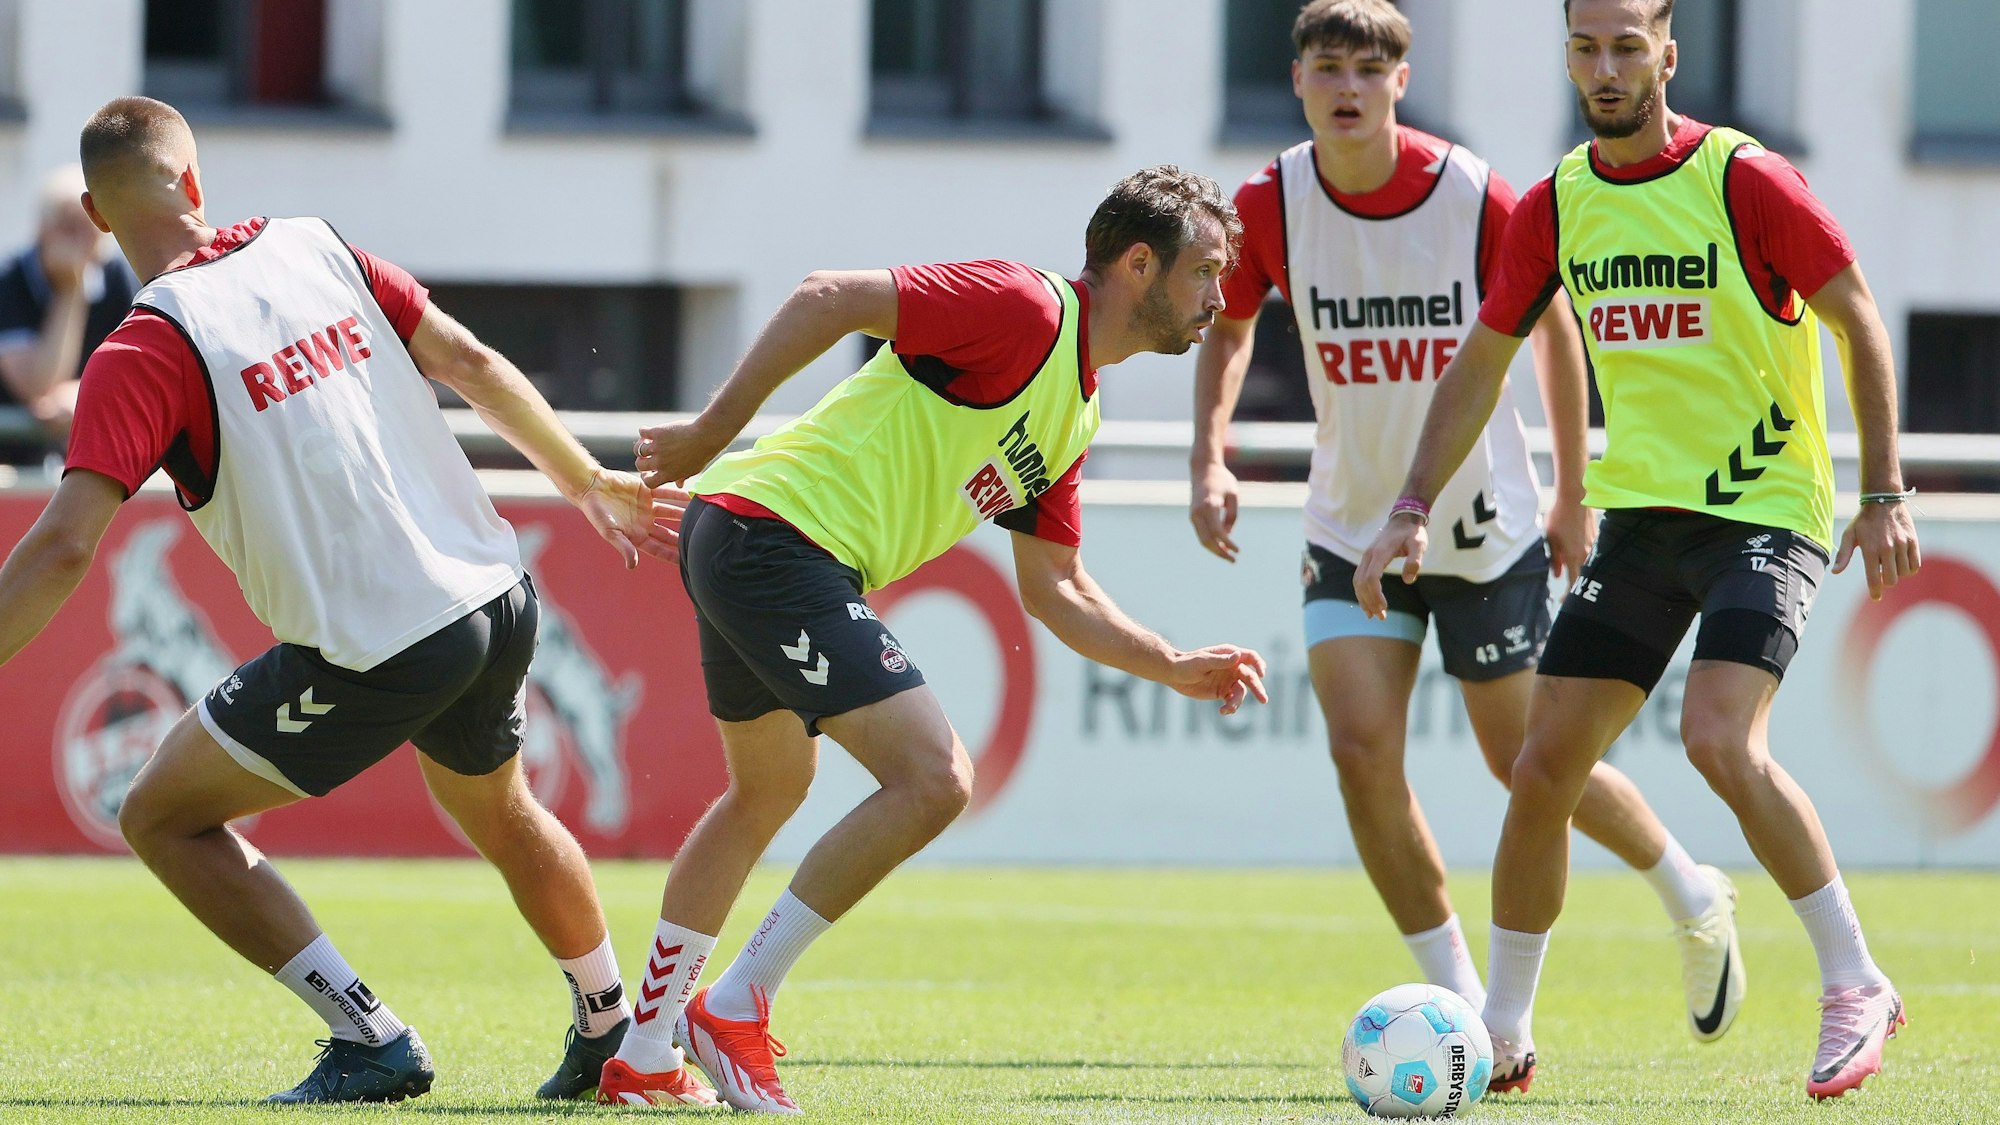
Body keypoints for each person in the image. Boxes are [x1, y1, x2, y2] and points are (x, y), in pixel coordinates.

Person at [0, 96, 681, 1104]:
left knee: (160, 815)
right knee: (496, 808)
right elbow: (473, 363)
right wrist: (583, 479)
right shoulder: (314, 247)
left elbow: (61, 547)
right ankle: (612, 1025)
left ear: (99, 221)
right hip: (494, 596)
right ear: (194, 182)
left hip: (381, 644)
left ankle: (370, 1037)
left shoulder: (143, 348)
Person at [596, 166, 1271, 1112]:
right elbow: (827, 296)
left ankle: (647, 1051)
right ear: (1138, 262)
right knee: (935, 776)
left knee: (769, 788)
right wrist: (713, 429)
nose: (1219, 297)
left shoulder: (1079, 407)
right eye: (1205, 272)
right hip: (775, 538)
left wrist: (1167, 662)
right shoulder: (1026, 308)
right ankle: (735, 1003)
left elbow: (1055, 586)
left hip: (752, 537)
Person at [1354, 0, 1920, 1100]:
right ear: (1566, 55)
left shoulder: (1742, 178)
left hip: (1762, 510)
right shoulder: (1560, 200)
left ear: (1667, 52)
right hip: (1642, 523)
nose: (1604, 67)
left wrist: (1882, 488)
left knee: (1717, 738)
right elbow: (1481, 359)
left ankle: (1855, 980)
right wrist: (1411, 501)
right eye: (1584, 47)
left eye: (1626, 46)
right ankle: (1502, 1029)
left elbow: (1857, 317)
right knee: (1538, 770)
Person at [1188, 0, 1738, 1060]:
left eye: (1365, 69)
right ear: (1295, 79)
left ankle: (1688, 886)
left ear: (1399, 81)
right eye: (1323, 68)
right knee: (1357, 754)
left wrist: (1575, 490)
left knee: (1522, 761)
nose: (1344, 87)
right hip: (1350, 524)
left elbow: (1553, 335)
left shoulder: (1472, 192)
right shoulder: (1269, 201)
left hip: (1484, 529)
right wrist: (1207, 456)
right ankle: (1463, 1010)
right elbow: (1231, 323)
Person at [0, 164, 139, 455]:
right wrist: (70, 291)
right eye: (67, 227)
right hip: (13, 459)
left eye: (88, 227)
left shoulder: (117, 278)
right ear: (42, 229)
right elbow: (37, 387)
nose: (78, 242)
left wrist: (82, 393)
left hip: (87, 455)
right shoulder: (9, 281)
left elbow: (135, 372)